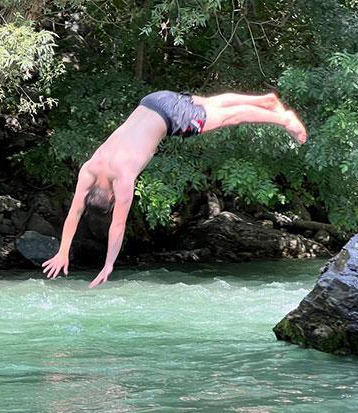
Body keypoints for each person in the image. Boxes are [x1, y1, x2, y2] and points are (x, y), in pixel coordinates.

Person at [42, 90, 307, 288]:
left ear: (110, 197)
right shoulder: (89, 168)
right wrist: (63, 250)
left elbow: (117, 226)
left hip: (170, 117)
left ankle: (282, 119)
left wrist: (108, 264)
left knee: (228, 117)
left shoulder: (122, 179)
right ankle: (265, 100)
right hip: (153, 100)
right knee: (210, 103)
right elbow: (74, 212)